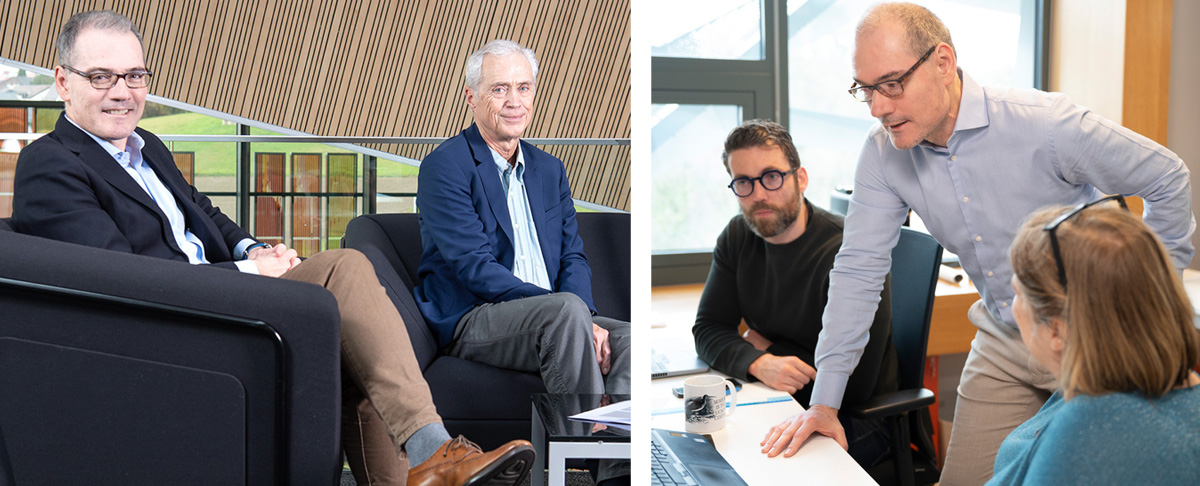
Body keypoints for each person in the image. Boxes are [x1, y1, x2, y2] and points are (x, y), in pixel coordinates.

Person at [11, 11, 535, 486]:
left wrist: (259, 248)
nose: (122, 91)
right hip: (176, 325)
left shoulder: (147, 147)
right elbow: (122, 278)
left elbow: (207, 216)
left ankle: (423, 472)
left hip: (224, 298)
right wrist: (251, 272)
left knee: (351, 341)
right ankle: (437, 450)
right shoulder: (51, 163)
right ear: (63, 81)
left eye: (134, 76)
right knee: (346, 269)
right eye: (101, 77)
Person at [759, 3, 1195, 484]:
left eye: (892, 84)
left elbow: (1166, 176)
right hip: (1004, 336)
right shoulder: (883, 153)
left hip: (1088, 338)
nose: (879, 106)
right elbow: (859, 272)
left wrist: (1150, 299)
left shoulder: (1045, 125)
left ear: (942, 63)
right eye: (866, 90)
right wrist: (825, 403)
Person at [414, 39, 631, 485]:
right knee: (565, 312)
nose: (514, 101)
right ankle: (580, 471)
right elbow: (473, 266)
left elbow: (573, 254)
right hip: (476, 315)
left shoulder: (549, 169)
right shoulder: (445, 167)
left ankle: (616, 474)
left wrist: (586, 316)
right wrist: (567, 311)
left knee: (628, 338)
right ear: (472, 96)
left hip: (552, 314)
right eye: (499, 90)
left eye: (523, 87)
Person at [692, 119, 897, 467]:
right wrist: (760, 362)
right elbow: (708, 328)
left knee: (753, 465)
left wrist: (764, 345)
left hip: (855, 418)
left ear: (800, 178)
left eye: (771, 177)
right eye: (743, 182)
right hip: (777, 398)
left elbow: (854, 383)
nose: (758, 194)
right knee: (702, 450)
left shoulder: (848, 250)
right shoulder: (738, 235)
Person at [988, 198, 1200, 485]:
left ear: (1057, 331)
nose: (1012, 308)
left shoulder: (1088, 430)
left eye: (1017, 293)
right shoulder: (1176, 390)